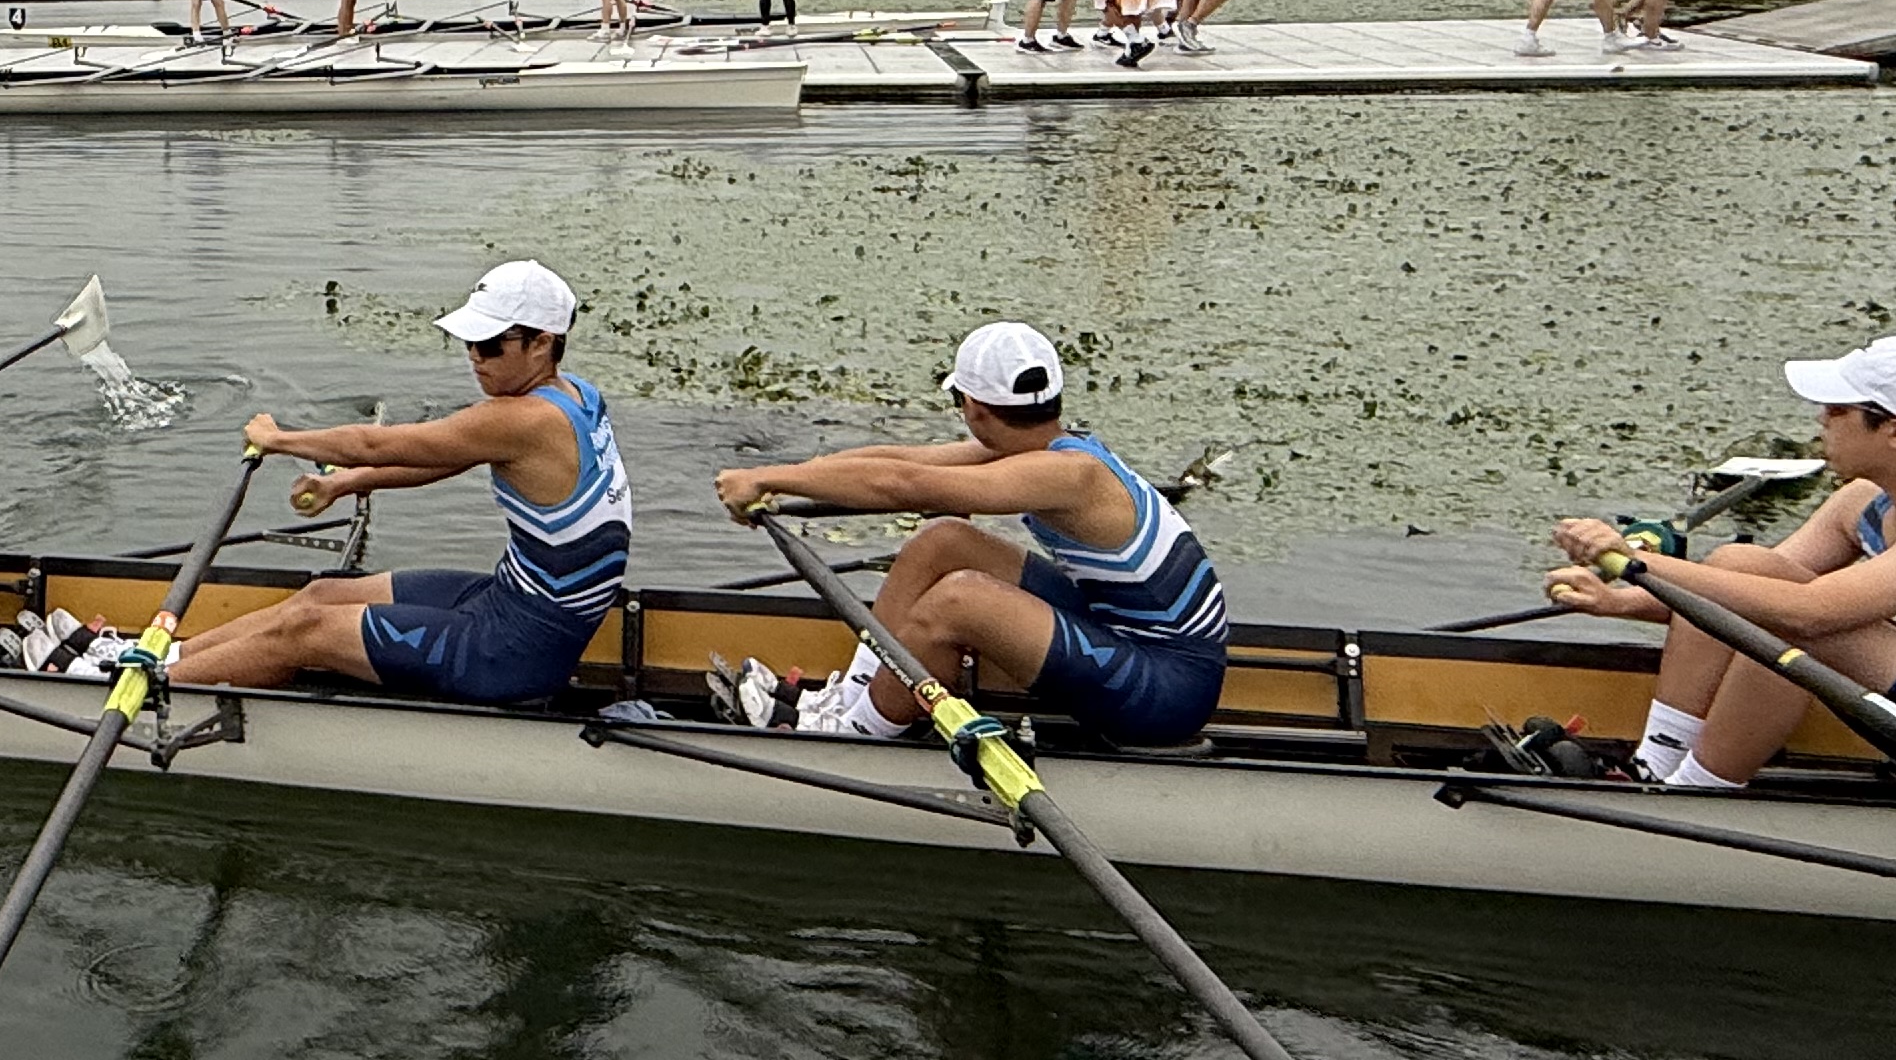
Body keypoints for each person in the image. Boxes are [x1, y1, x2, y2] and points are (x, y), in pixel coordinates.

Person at [1542, 334, 1896, 797]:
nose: (1821, 419)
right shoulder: (1864, 501)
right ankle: (1655, 766)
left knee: (1787, 612)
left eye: (1837, 409)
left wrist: (1636, 563)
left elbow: (1811, 612)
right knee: (1746, 561)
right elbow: (1745, 586)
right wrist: (1625, 600)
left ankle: (1697, 792)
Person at [713, 320, 1229, 747]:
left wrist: (764, 476)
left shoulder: (1070, 475)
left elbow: (902, 485)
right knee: (943, 543)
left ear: (974, 408)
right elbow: (899, 461)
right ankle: (855, 696)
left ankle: (859, 733)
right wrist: (784, 475)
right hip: (1130, 638)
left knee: (960, 600)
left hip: (1168, 694)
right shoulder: (1051, 447)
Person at [168, 261, 632, 706]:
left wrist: (278, 439)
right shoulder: (578, 394)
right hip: (506, 602)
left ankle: (150, 688)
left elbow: (374, 444)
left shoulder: (525, 418)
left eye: (490, 344)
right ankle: (167, 657)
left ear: (541, 343)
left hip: (512, 653)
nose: (474, 356)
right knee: (322, 594)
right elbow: (444, 457)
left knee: (304, 629)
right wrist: (347, 483)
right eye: (468, 340)